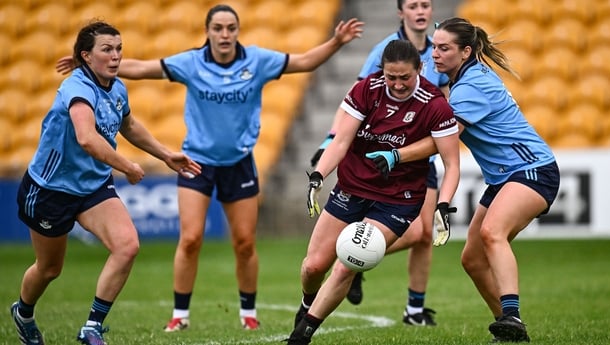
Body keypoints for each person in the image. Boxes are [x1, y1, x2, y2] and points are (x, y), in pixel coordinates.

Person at [56, 4, 363, 331]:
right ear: (208, 32)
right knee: (190, 239)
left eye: (231, 28)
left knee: (244, 242)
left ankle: (248, 313)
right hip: (196, 163)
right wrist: (89, 66)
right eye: (218, 28)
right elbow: (142, 67)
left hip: (239, 163)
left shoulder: (256, 61)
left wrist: (336, 42)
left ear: (237, 31)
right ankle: (180, 315)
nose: (225, 34)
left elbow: (303, 62)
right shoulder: (191, 62)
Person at [11, 21, 201, 345]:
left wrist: (166, 154)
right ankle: (23, 312)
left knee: (127, 246)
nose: (115, 56)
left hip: (93, 185)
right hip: (50, 189)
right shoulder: (77, 89)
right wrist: (127, 166)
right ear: (86, 56)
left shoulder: (116, 87)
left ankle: (92, 327)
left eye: (119, 49)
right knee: (49, 269)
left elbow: (128, 124)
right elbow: (87, 138)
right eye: (107, 50)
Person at [286, 39, 460, 345]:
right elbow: (340, 142)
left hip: (398, 199)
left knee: (346, 263)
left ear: (420, 69)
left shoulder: (434, 104)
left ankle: (301, 335)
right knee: (313, 266)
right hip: (352, 187)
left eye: (405, 77)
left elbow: (451, 163)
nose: (398, 84)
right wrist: (317, 176)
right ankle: (306, 303)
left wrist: (443, 205)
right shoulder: (367, 89)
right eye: (391, 77)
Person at [403, 17, 560, 342]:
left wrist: (396, 154)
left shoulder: (473, 85)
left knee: (492, 233)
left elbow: (443, 140)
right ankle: (509, 329)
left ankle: (512, 315)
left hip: (533, 170)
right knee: (472, 259)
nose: (435, 54)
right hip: (506, 177)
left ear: (466, 52)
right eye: (435, 47)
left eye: (444, 48)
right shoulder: (463, 79)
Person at [309, 0, 448, 326]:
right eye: (412, 5)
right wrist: (330, 141)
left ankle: (413, 309)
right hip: (379, 158)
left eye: (425, 4)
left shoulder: (440, 51)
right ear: (401, 13)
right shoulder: (384, 51)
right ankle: (356, 254)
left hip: (416, 156)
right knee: (416, 233)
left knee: (422, 235)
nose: (420, 11)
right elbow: (354, 102)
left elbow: (443, 99)